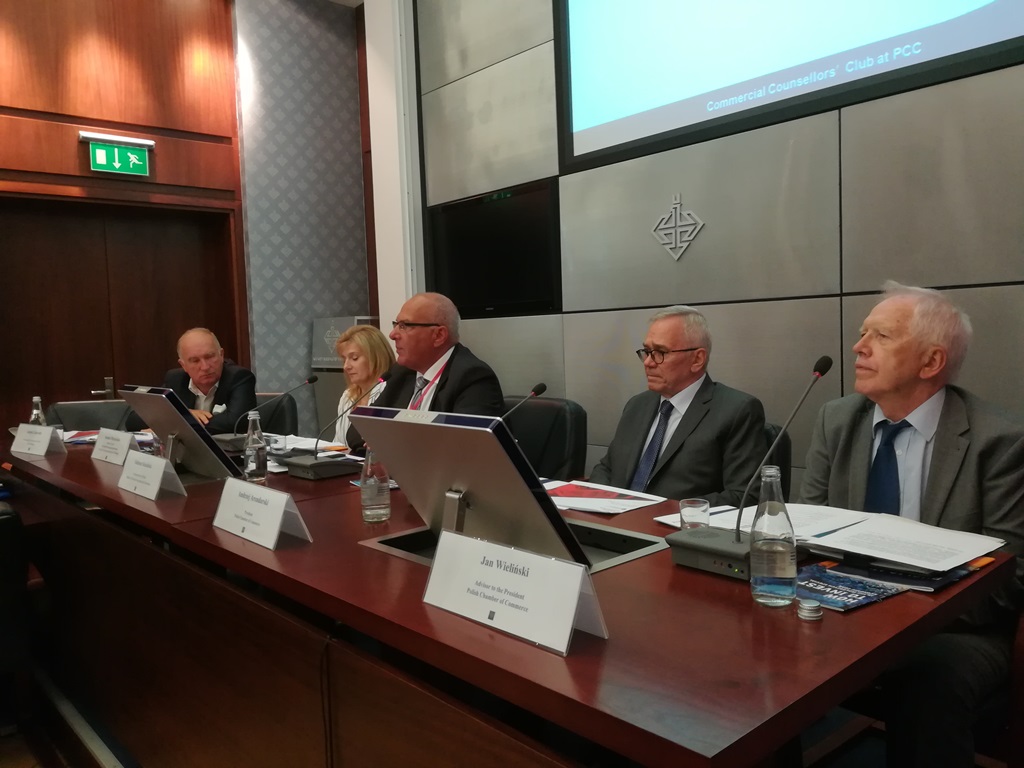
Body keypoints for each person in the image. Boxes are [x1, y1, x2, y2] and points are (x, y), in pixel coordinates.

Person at [801, 281, 1024, 767]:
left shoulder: (1000, 440)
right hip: (840, 603)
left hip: (957, 628)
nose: (858, 347)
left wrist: (895, 613)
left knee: (928, 676)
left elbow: (1009, 578)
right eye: (863, 333)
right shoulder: (836, 420)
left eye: (880, 336)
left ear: (931, 362)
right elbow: (806, 532)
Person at [588, 306, 766, 506]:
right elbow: (607, 468)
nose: (648, 362)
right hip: (615, 520)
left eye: (660, 352)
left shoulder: (737, 410)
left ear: (697, 359)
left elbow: (744, 496)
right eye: (647, 351)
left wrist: (664, 511)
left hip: (677, 524)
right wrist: (602, 502)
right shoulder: (637, 405)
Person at [370, 292, 504, 417]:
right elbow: (365, 427)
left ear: (439, 335)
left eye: (404, 326)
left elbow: (465, 434)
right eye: (396, 325)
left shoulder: (472, 378)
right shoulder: (400, 373)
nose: (392, 335)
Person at [125, 328, 257, 435]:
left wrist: (177, 422)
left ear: (221, 355)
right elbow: (134, 420)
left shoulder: (239, 377)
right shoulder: (175, 379)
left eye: (209, 357)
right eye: (195, 361)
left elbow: (236, 422)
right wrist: (183, 414)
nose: (205, 367)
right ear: (183, 365)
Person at [333, 325, 395, 447]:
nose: (346, 366)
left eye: (354, 358)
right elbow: (338, 444)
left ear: (376, 357)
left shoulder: (390, 392)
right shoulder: (348, 396)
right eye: (344, 359)